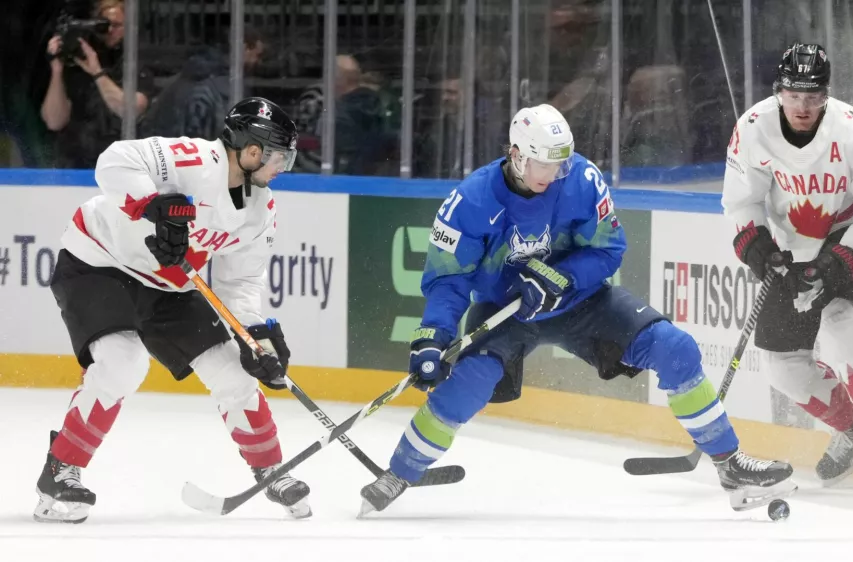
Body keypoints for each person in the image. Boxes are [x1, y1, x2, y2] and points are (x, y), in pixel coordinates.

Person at [358, 103, 797, 515]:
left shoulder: (581, 180)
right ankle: (400, 473)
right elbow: (450, 278)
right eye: (543, 164)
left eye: (560, 163)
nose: (554, 173)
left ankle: (730, 464)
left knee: (676, 348)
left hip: (580, 303)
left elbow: (609, 249)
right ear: (515, 155)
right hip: (504, 312)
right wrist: (433, 336)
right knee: (465, 385)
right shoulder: (470, 202)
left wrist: (562, 278)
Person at [34, 97, 311, 523]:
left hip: (168, 285)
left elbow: (239, 282)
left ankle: (271, 469)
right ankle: (61, 469)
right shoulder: (193, 160)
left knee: (232, 368)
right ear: (251, 150)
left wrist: (254, 334)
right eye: (278, 157)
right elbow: (114, 160)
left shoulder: (260, 208)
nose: (282, 168)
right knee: (123, 363)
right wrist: (151, 205)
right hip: (99, 263)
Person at [722, 43, 853, 495]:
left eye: (813, 95)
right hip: (794, 246)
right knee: (783, 368)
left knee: (842, 324)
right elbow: (741, 202)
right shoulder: (752, 129)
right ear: (779, 92)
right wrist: (757, 247)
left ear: (826, 95)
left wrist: (835, 264)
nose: (803, 105)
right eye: (794, 94)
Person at [41, 0, 155, 168]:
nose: (110, 31)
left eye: (116, 25)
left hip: (118, 164)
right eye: (103, 26)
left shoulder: (135, 61)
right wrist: (57, 70)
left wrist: (97, 73)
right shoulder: (78, 61)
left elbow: (130, 111)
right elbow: (54, 121)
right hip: (74, 164)